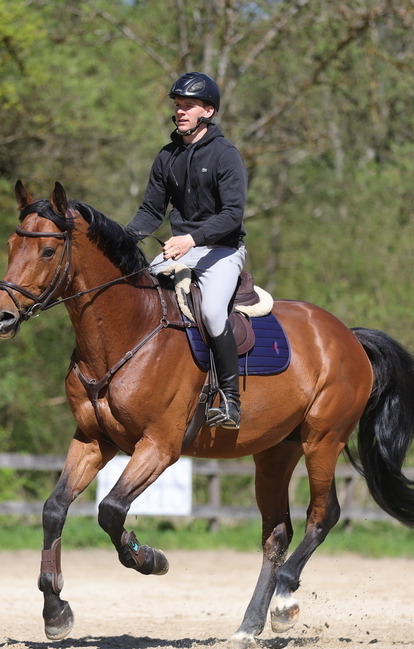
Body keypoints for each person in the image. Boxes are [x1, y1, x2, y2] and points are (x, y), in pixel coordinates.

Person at [127, 72, 247, 429]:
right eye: (177, 106)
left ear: (208, 111)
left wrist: (191, 240)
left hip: (222, 251)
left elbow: (232, 215)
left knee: (211, 311)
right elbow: (151, 212)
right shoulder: (167, 157)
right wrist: (121, 238)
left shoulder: (226, 155)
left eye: (188, 106)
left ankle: (229, 400)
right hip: (181, 250)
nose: (180, 112)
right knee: (137, 295)